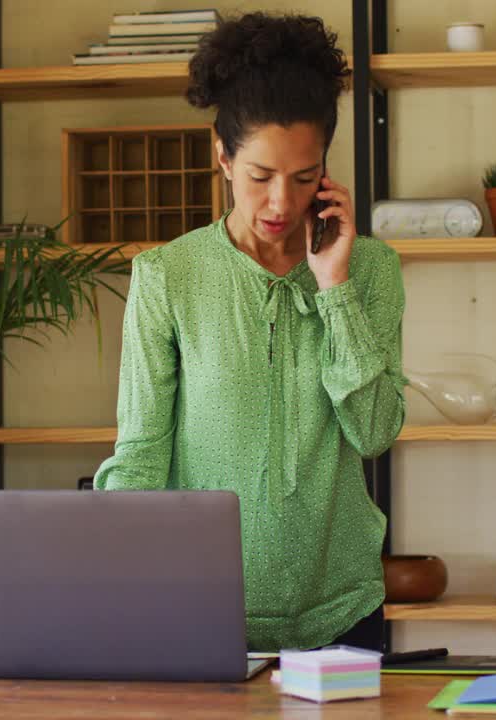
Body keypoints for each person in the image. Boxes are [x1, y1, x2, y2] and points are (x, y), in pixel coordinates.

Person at [93, 12, 406, 653]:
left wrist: (335, 288)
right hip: (196, 613)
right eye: (260, 177)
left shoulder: (370, 270)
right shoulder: (167, 277)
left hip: (342, 615)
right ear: (223, 157)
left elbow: (373, 433)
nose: (280, 205)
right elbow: (141, 455)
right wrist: (118, 592)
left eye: (304, 177)